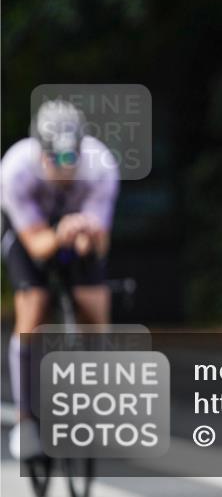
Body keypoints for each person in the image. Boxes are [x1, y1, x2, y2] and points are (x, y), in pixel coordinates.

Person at [1, 100, 120, 459]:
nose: (65, 167)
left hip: (77, 231)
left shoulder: (100, 167)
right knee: (33, 307)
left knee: (95, 303)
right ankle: (26, 420)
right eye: (56, 159)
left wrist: (84, 234)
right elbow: (37, 245)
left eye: (72, 159)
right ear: (40, 153)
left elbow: (100, 242)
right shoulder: (15, 170)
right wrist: (60, 233)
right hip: (28, 233)